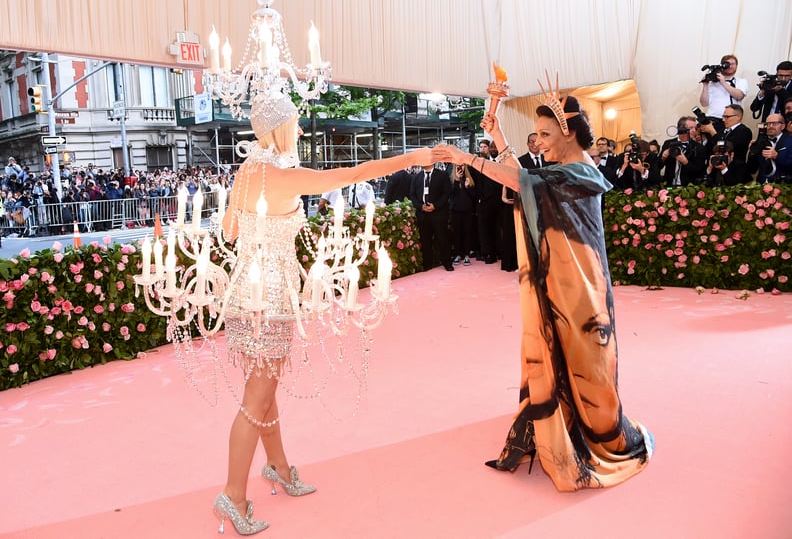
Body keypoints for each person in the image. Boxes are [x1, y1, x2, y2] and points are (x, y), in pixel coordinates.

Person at [214, 92, 433, 534]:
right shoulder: (284, 176)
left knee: (264, 389)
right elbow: (355, 172)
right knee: (256, 398)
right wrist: (412, 156)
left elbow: (229, 231)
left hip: (242, 293)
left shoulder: (245, 173)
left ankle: (277, 465)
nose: (298, 130)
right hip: (272, 300)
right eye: (294, 124)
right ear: (279, 128)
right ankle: (232, 496)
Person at [434, 87, 653, 491]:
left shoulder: (583, 173)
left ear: (569, 133)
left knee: (588, 363)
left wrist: (467, 158)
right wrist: (499, 138)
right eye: (537, 136)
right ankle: (558, 422)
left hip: (582, 289)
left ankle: (594, 430)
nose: (540, 143)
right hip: (560, 278)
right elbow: (529, 182)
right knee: (557, 353)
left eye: (546, 136)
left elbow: (523, 180)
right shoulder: (562, 170)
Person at [409, 162, 453, 271]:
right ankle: (427, 264)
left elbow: (446, 193)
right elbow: (412, 195)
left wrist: (435, 206)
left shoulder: (442, 175)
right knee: (425, 241)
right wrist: (420, 206)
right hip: (423, 214)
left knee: (442, 239)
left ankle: (446, 262)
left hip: (438, 214)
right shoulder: (416, 177)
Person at [698, 54, 748, 130]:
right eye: (727, 64)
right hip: (713, 118)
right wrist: (705, 85)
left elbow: (739, 96)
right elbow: (704, 103)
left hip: (731, 120)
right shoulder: (713, 83)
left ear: (736, 66)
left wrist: (723, 82)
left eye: (733, 64)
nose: (730, 66)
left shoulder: (741, 81)